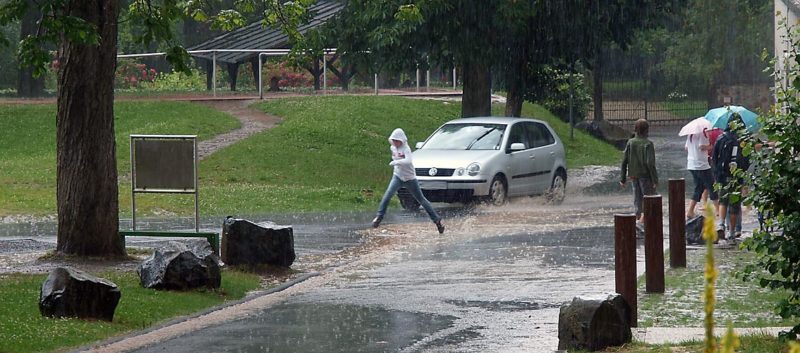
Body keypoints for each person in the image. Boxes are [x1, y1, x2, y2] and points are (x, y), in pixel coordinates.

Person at [372, 128, 445, 234]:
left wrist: (397, 162)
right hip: (397, 176)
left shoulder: (406, 149)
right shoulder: (393, 148)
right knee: (387, 195)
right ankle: (379, 217)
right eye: (394, 141)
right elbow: (396, 157)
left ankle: (437, 221)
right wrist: (396, 164)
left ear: (402, 140)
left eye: (398, 141)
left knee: (421, 200)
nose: (396, 143)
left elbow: (408, 160)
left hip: (410, 178)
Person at [712, 113, 750, 241]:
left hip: (722, 175)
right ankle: (732, 232)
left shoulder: (721, 138)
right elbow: (746, 160)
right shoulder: (742, 140)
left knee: (723, 201)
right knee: (734, 204)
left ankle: (721, 223)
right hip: (736, 176)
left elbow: (714, 157)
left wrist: (716, 173)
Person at [619, 119, 659, 227]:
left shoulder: (630, 142)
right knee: (648, 198)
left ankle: (638, 218)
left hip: (633, 175)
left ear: (635, 129)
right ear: (646, 130)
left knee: (637, 197)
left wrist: (622, 178)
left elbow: (624, 161)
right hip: (645, 175)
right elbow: (650, 163)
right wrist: (655, 179)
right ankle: (642, 221)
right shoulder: (648, 144)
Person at [685, 130, 718, 219]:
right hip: (702, 165)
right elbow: (702, 147)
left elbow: (686, 148)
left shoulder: (690, 135)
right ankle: (718, 210)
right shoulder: (703, 134)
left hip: (691, 164)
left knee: (699, 187)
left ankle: (690, 211)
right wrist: (711, 146)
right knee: (712, 186)